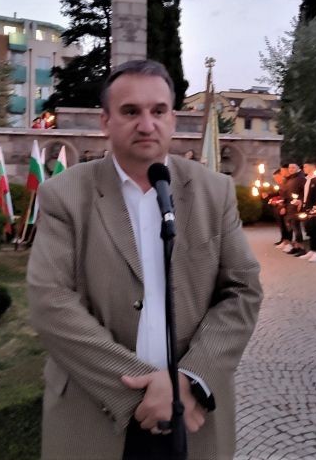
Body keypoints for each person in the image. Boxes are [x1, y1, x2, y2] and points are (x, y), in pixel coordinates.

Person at [26, 60, 262, 460]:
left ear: (173, 119)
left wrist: (190, 379)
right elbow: (50, 300)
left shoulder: (214, 191)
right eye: (131, 111)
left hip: (193, 415)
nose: (147, 124)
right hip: (94, 413)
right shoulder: (64, 194)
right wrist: (142, 389)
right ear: (105, 120)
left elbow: (243, 290)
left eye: (158, 111)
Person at [298, 161, 316, 262]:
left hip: (314, 208)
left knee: (315, 229)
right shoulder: (306, 179)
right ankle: (312, 250)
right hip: (306, 207)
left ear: (312, 167)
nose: (304, 168)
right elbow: (304, 194)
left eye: (306, 166)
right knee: (310, 229)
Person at [282, 163, 306, 256]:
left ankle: (301, 247)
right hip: (289, 205)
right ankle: (296, 246)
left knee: (296, 226)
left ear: (298, 168)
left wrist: (300, 200)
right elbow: (285, 193)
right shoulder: (290, 179)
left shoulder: (301, 178)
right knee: (292, 226)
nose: (291, 169)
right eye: (290, 168)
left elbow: (305, 192)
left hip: (296, 206)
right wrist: (284, 205)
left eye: (293, 167)